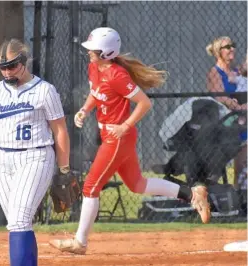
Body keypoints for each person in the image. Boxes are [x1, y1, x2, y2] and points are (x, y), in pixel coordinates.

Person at [49, 27, 211, 255]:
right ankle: (192, 194)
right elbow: (96, 92)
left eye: (93, 50)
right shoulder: (94, 67)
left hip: (118, 139)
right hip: (109, 135)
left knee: (90, 187)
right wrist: (85, 110)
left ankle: (80, 242)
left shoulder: (117, 75)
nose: (89, 53)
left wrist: (125, 126)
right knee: (137, 185)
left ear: (106, 53)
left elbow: (144, 103)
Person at [0, 39, 70, 266]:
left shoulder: (44, 90)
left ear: (24, 62)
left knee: (18, 220)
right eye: (3, 68)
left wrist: (64, 168)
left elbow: (60, 130)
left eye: (12, 66)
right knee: (19, 223)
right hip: (3, 159)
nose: (7, 71)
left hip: (35, 156)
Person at [206, 36, 247, 188]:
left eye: (233, 45)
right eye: (227, 47)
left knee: (241, 168)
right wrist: (236, 105)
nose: (232, 49)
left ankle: (239, 200)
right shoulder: (215, 72)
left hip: (242, 122)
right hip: (224, 124)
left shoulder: (237, 71)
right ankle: (206, 198)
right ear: (218, 52)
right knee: (216, 170)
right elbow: (219, 96)